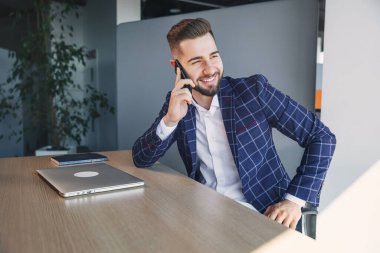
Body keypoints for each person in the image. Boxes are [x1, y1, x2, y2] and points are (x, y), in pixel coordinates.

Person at [132, 18, 336, 230]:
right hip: (204, 216)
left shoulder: (254, 91)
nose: (210, 69)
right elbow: (141, 158)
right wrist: (170, 120)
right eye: (196, 61)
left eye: (214, 56)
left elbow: (322, 137)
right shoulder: (177, 101)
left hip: (263, 214)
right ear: (177, 68)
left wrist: (294, 201)